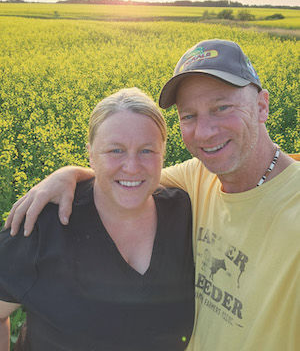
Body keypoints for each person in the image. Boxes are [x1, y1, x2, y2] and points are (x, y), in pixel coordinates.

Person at [5, 39, 300, 350]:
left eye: (222, 107)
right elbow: (130, 178)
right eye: (188, 116)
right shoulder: (198, 178)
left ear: (262, 106)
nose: (204, 132)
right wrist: (69, 173)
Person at [0, 88, 195, 351]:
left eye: (147, 151)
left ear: (164, 153)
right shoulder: (44, 222)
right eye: (115, 150)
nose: (132, 166)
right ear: (90, 154)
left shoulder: (186, 214)